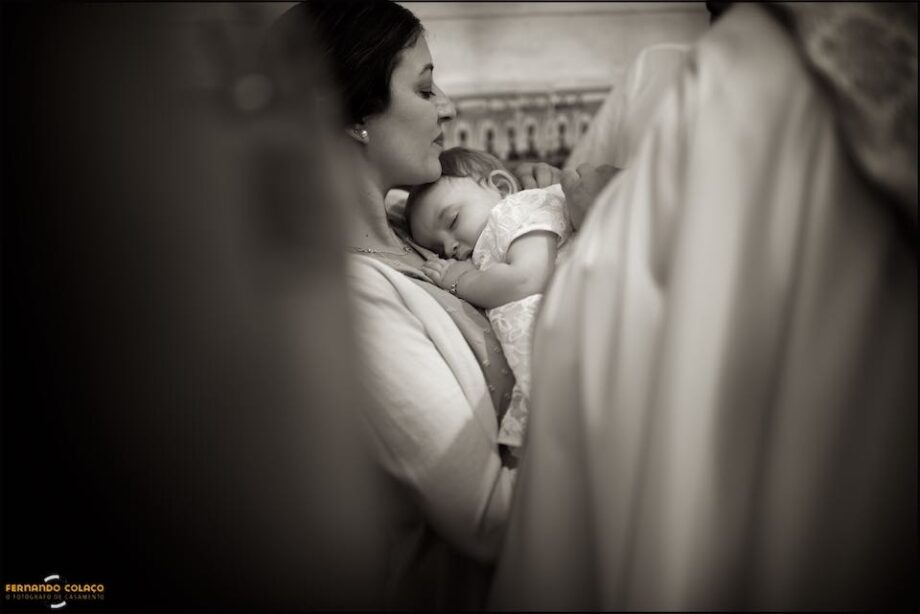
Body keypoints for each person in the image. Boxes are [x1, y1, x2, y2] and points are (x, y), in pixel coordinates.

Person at [491, 2, 917, 610]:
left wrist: (599, 214)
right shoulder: (675, 70)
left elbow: (588, 306)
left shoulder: (746, 73)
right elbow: (575, 195)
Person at [262, 2, 581, 609]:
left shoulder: (422, 231)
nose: (449, 107)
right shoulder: (352, 299)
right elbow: (488, 517)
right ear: (355, 115)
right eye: (425, 86)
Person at [406, 147, 575, 454]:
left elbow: (527, 278)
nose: (450, 247)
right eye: (438, 248)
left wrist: (461, 280)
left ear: (501, 187)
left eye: (453, 220)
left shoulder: (518, 211)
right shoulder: (489, 246)